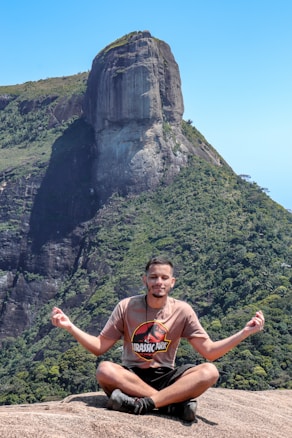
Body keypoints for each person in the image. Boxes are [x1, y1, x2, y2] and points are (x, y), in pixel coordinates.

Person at [51, 256, 265, 422]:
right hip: (131, 376)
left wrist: (244, 332)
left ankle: (143, 404)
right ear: (145, 280)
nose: (158, 282)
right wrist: (70, 327)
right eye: (153, 277)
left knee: (210, 371)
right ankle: (170, 405)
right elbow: (100, 347)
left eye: (164, 278)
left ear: (172, 282)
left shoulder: (182, 310)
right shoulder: (126, 307)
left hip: (166, 375)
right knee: (104, 369)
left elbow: (209, 352)